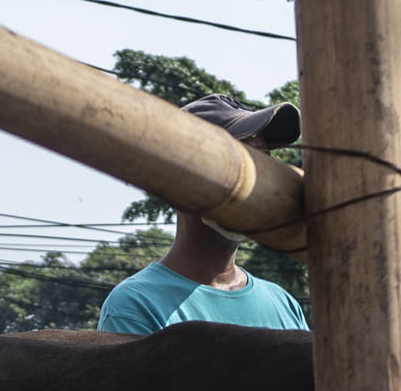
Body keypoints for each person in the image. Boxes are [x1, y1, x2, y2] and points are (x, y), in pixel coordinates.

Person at [96, 98, 307, 334]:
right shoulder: (136, 305)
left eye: (263, 166)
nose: (254, 187)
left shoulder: (284, 305)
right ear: (178, 181)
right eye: (236, 169)